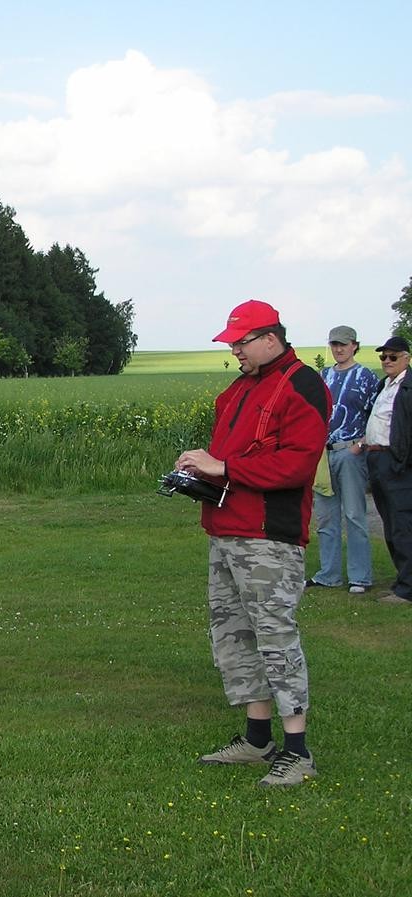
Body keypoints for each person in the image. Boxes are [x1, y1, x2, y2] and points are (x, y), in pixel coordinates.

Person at [175, 299, 329, 787]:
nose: (235, 351)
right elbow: (233, 457)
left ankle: (297, 751)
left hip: (269, 537)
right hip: (226, 528)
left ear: (270, 338)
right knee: (234, 637)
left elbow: (297, 465)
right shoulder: (241, 387)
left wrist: (224, 467)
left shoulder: (302, 384)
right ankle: (258, 738)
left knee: (275, 637)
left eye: (241, 342)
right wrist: (201, 470)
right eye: (232, 344)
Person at [306, 326, 379, 593]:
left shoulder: (366, 376)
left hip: (350, 452)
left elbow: (377, 414)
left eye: (343, 344)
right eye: (334, 344)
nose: (338, 349)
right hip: (324, 454)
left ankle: (360, 577)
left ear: (354, 346)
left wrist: (360, 445)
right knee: (326, 517)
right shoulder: (323, 375)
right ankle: (329, 574)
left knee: (354, 515)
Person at [362, 335, 412, 606]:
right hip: (377, 458)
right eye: (383, 357)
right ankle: (402, 581)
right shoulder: (386, 385)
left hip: (396, 462)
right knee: (390, 524)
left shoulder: (408, 387)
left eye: (393, 357)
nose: (387, 361)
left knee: (402, 524)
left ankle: (407, 589)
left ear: (406, 358)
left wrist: (401, 461)